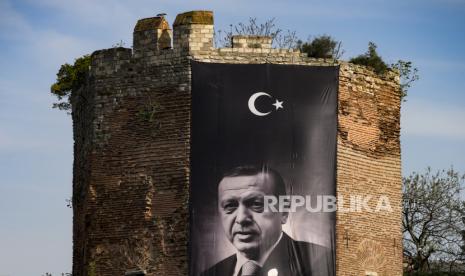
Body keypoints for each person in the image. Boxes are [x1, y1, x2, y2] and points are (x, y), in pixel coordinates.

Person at [201, 165, 334, 276]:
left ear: (283, 212)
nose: (241, 219)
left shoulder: (320, 261)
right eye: (230, 206)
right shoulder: (210, 273)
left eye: (256, 204)